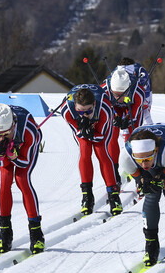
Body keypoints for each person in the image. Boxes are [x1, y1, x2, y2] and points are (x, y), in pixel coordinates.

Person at [120, 124, 165, 268]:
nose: (143, 164)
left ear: (156, 150)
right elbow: (141, 179)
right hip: (153, 153)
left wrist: (160, 183)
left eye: (147, 159)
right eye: (139, 160)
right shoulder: (126, 158)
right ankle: (151, 245)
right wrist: (144, 182)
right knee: (151, 195)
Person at [0, 103, 45, 255]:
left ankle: (36, 233)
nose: (1, 138)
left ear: (13, 126)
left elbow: (24, 162)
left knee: (22, 179)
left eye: (5, 134)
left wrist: (14, 157)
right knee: (5, 178)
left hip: (26, 144)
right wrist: (0, 155)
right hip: (11, 147)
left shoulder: (29, 130)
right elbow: (1, 163)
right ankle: (5, 232)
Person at [61, 84, 122, 216]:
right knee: (85, 151)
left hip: (100, 125)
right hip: (83, 126)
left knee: (101, 152)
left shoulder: (104, 108)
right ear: (75, 106)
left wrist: (90, 132)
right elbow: (77, 132)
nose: (84, 114)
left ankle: (114, 196)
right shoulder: (67, 111)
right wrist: (83, 129)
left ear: (94, 104)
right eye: (80, 112)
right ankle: (87, 196)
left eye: (88, 111)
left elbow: (100, 135)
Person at [103, 67, 146, 184]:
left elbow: (135, 113)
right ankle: (114, 170)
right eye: (116, 94)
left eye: (122, 94)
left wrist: (127, 119)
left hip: (131, 106)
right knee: (112, 136)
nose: (119, 98)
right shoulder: (104, 91)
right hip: (114, 108)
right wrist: (115, 117)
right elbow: (106, 111)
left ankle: (137, 168)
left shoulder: (138, 92)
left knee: (134, 136)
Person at [116, 57, 153, 125]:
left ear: (134, 74)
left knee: (144, 112)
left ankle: (149, 127)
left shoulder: (142, 77)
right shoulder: (115, 75)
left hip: (142, 92)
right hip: (126, 95)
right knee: (122, 108)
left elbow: (143, 100)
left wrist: (131, 117)